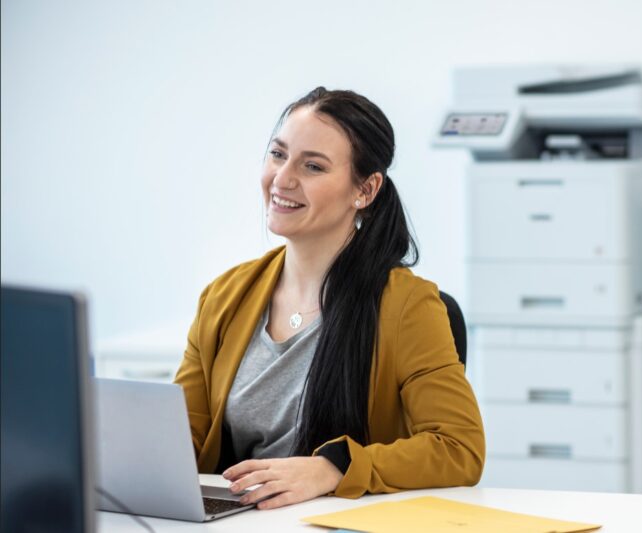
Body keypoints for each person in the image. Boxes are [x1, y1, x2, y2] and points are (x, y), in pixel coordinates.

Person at [173, 87, 485, 510]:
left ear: (366, 190)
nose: (282, 179)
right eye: (278, 154)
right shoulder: (225, 297)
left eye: (313, 166)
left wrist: (332, 468)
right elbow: (181, 440)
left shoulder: (408, 306)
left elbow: (458, 449)